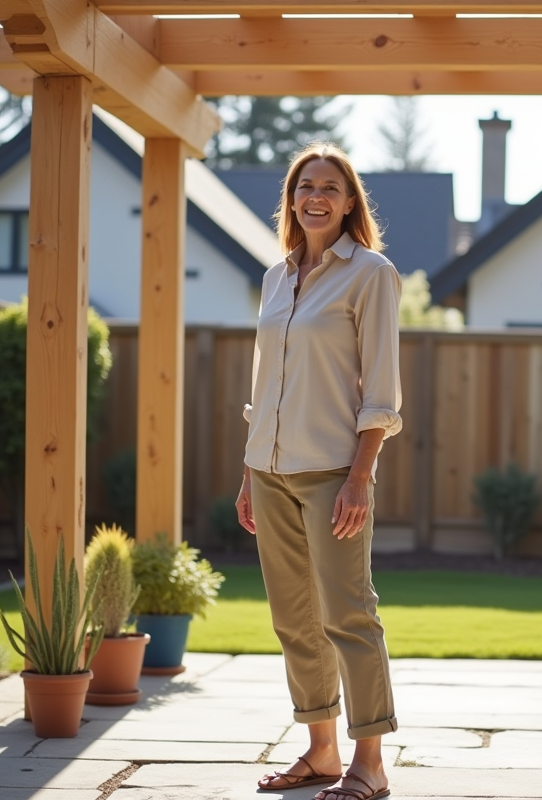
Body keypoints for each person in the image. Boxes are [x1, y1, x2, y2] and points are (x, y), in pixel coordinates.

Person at [235, 142, 402, 800]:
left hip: (334, 471)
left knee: (349, 616)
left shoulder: (371, 274)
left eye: (331, 187)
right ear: (291, 198)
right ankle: (321, 751)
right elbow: (265, 384)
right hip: (269, 471)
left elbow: (381, 390)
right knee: (294, 619)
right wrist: (250, 472)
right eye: (306, 186)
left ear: (350, 201)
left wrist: (361, 476)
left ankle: (371, 763)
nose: (316, 197)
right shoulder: (276, 278)